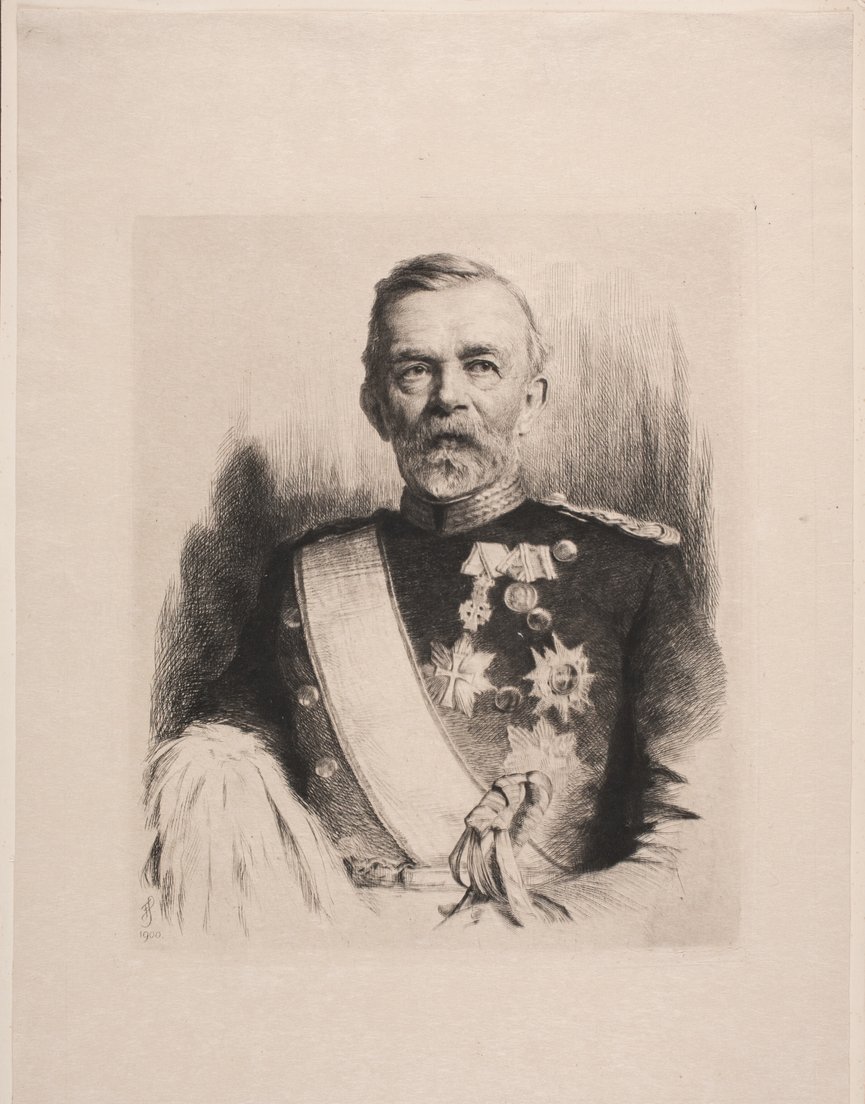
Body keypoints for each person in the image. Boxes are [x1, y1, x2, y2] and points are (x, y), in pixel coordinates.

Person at [143, 253, 724, 939]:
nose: (448, 397)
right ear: (375, 405)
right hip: (336, 942)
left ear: (530, 401)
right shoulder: (306, 572)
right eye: (415, 370)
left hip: (541, 946)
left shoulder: (629, 569)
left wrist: (546, 930)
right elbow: (220, 773)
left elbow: (696, 835)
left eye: (481, 366)